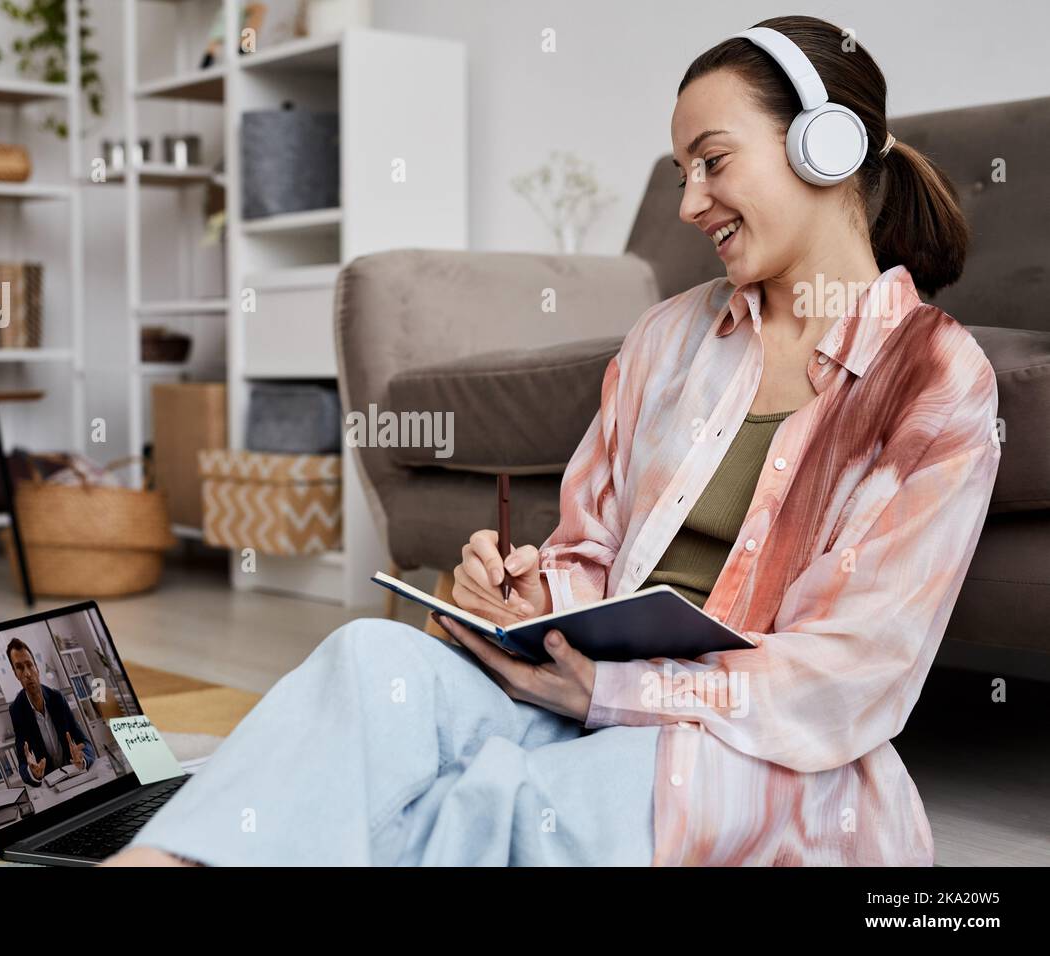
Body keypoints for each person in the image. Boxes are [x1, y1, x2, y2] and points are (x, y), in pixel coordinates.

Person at [106, 15, 999, 867]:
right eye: (682, 171)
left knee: (507, 799)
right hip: (586, 695)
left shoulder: (934, 380)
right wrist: (535, 593)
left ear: (826, 146)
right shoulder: (667, 339)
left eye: (713, 163)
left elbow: (853, 676)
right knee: (367, 659)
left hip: (749, 750)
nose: (691, 202)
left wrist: (621, 695)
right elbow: (593, 549)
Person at [6, 638, 95, 786]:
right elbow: (23, 762)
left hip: (75, 774)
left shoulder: (57, 698)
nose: (27, 673)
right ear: (16, 674)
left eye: (29, 665)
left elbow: (84, 742)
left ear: (37, 668)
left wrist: (83, 758)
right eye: (20, 668)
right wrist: (31, 772)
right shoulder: (17, 710)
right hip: (50, 785)